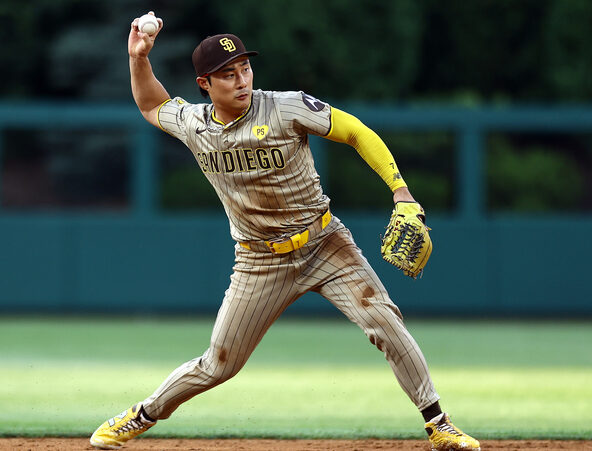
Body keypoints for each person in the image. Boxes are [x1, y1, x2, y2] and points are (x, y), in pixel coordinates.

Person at [89, 11, 480, 451]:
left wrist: (401, 191)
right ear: (204, 84)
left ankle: (439, 424)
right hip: (259, 261)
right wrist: (138, 57)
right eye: (227, 75)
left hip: (325, 244)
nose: (241, 80)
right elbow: (150, 104)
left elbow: (355, 131)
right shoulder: (195, 125)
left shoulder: (284, 105)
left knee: (385, 322)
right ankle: (141, 415)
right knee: (219, 364)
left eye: (245, 68)